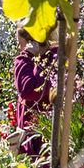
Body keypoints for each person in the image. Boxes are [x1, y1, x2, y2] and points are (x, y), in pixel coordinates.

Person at [12, 23, 57, 157]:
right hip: (33, 139)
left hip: (39, 143)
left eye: (20, 43)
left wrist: (25, 56)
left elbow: (28, 89)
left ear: (32, 43)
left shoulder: (51, 61)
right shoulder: (39, 61)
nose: (20, 48)